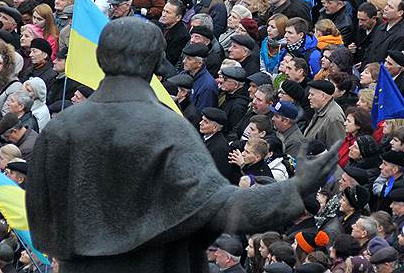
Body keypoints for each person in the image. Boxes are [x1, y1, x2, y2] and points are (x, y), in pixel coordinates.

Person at [26, 17, 339, 272]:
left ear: (100, 57)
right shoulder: (168, 128)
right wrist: (295, 188)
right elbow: (221, 207)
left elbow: (41, 222)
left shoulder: (62, 128)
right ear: (155, 61)